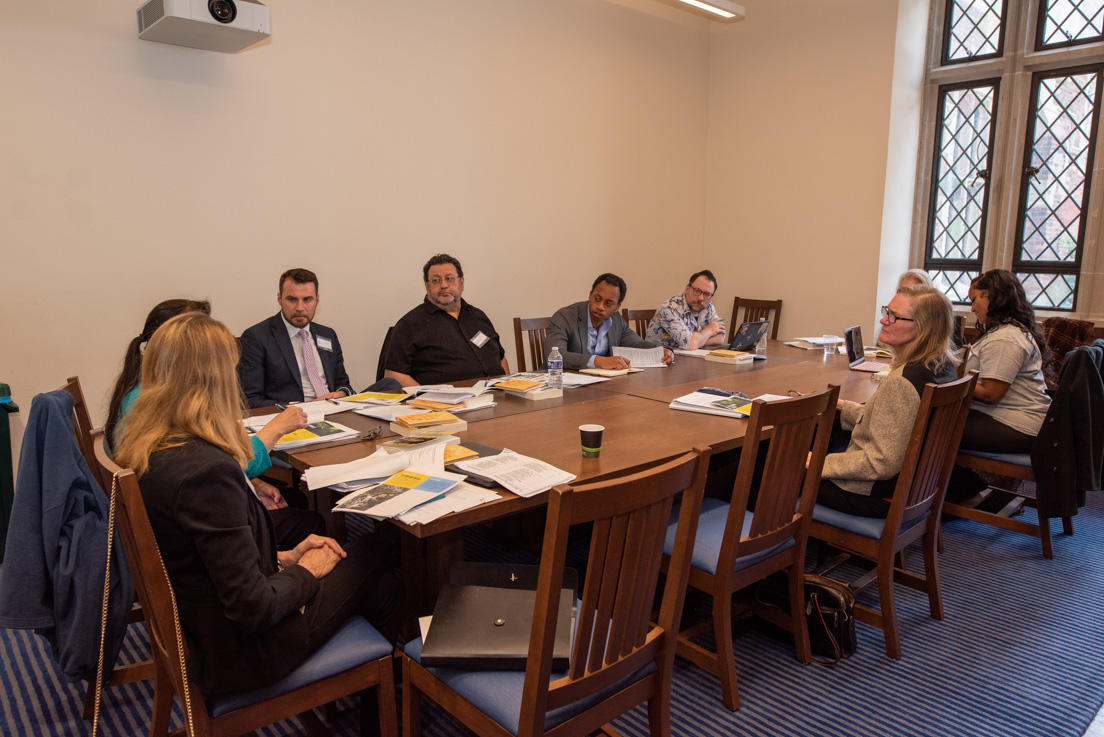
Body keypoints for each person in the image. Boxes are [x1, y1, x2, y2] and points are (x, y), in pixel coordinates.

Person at [114, 312, 402, 697]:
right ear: (214, 380)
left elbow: (206, 557)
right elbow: (254, 608)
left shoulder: (151, 445)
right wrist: (308, 570)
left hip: (202, 625)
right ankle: (391, 692)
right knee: (378, 552)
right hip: (242, 652)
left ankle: (374, 693)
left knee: (375, 579)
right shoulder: (206, 472)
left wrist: (284, 557)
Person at [108, 298, 323, 548]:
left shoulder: (153, 396)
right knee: (313, 522)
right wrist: (274, 430)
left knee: (294, 499)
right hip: (190, 529)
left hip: (177, 523)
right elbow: (211, 470)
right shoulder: (152, 404)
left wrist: (251, 484)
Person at [816, 285, 959, 518]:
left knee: (761, 467)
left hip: (875, 495)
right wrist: (843, 407)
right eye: (886, 311)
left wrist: (821, 464)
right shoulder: (941, 366)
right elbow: (895, 425)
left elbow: (880, 463)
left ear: (923, 328)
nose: (884, 320)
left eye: (893, 316)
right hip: (912, 488)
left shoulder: (902, 382)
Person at [959, 269, 1051, 453]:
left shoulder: (1006, 337)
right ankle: (964, 481)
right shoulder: (1005, 331)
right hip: (1007, 419)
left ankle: (960, 482)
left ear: (993, 297)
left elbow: (990, 394)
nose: (972, 308)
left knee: (930, 428)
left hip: (1018, 425)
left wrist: (952, 378)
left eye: (974, 299)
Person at [384, 253, 510, 386]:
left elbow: (501, 358)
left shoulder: (478, 316)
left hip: (495, 396)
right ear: (427, 287)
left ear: (461, 283)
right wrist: (428, 399)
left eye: (449, 278)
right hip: (447, 404)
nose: (444, 285)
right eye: (436, 280)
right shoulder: (410, 324)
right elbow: (394, 374)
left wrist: (508, 390)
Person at [239, 269, 355, 408]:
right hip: (291, 417)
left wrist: (341, 394)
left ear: (317, 300)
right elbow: (250, 400)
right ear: (279, 299)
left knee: (386, 386)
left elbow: (343, 383)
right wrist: (301, 407)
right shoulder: (257, 337)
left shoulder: (328, 334)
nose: (300, 308)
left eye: (307, 300)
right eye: (292, 299)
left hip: (333, 412)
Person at [547, 273, 674, 370]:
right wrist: (599, 361)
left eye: (608, 303)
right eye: (597, 299)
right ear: (590, 295)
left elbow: (637, 344)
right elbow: (554, 355)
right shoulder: (564, 317)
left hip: (601, 385)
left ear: (617, 307)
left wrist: (661, 350)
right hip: (563, 385)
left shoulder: (616, 320)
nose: (600, 306)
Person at [646, 270, 727, 350]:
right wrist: (709, 331)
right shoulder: (669, 308)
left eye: (707, 294)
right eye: (697, 291)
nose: (701, 298)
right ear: (687, 288)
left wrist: (697, 341)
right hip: (661, 360)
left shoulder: (708, 306)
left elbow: (720, 338)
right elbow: (690, 344)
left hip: (690, 358)